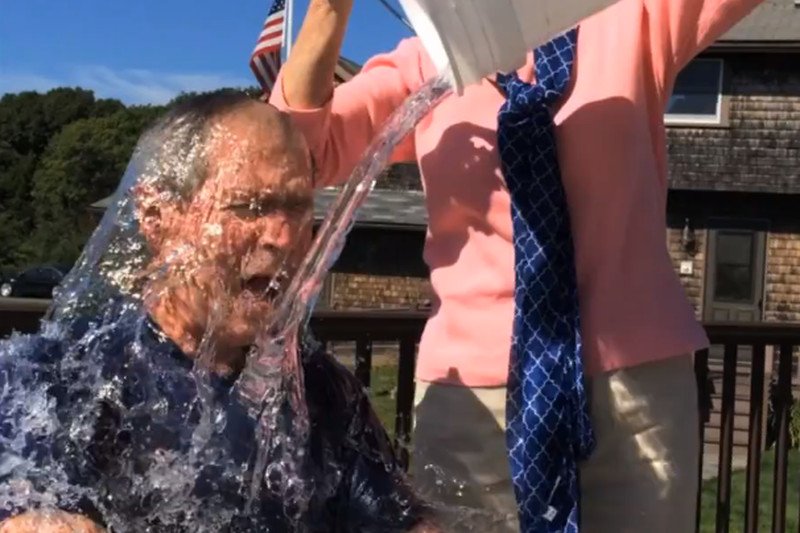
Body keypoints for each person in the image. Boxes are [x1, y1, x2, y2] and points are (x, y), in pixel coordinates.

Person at [270, 0, 765, 530]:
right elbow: (295, 151)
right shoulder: (425, 65)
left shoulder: (632, 17)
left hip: (636, 391)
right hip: (471, 403)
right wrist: (327, 8)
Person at [0, 93, 436, 533]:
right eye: (250, 206)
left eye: (299, 207)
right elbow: (32, 516)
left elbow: (401, 521)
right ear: (156, 216)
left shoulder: (322, 391)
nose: (284, 239)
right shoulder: (65, 376)